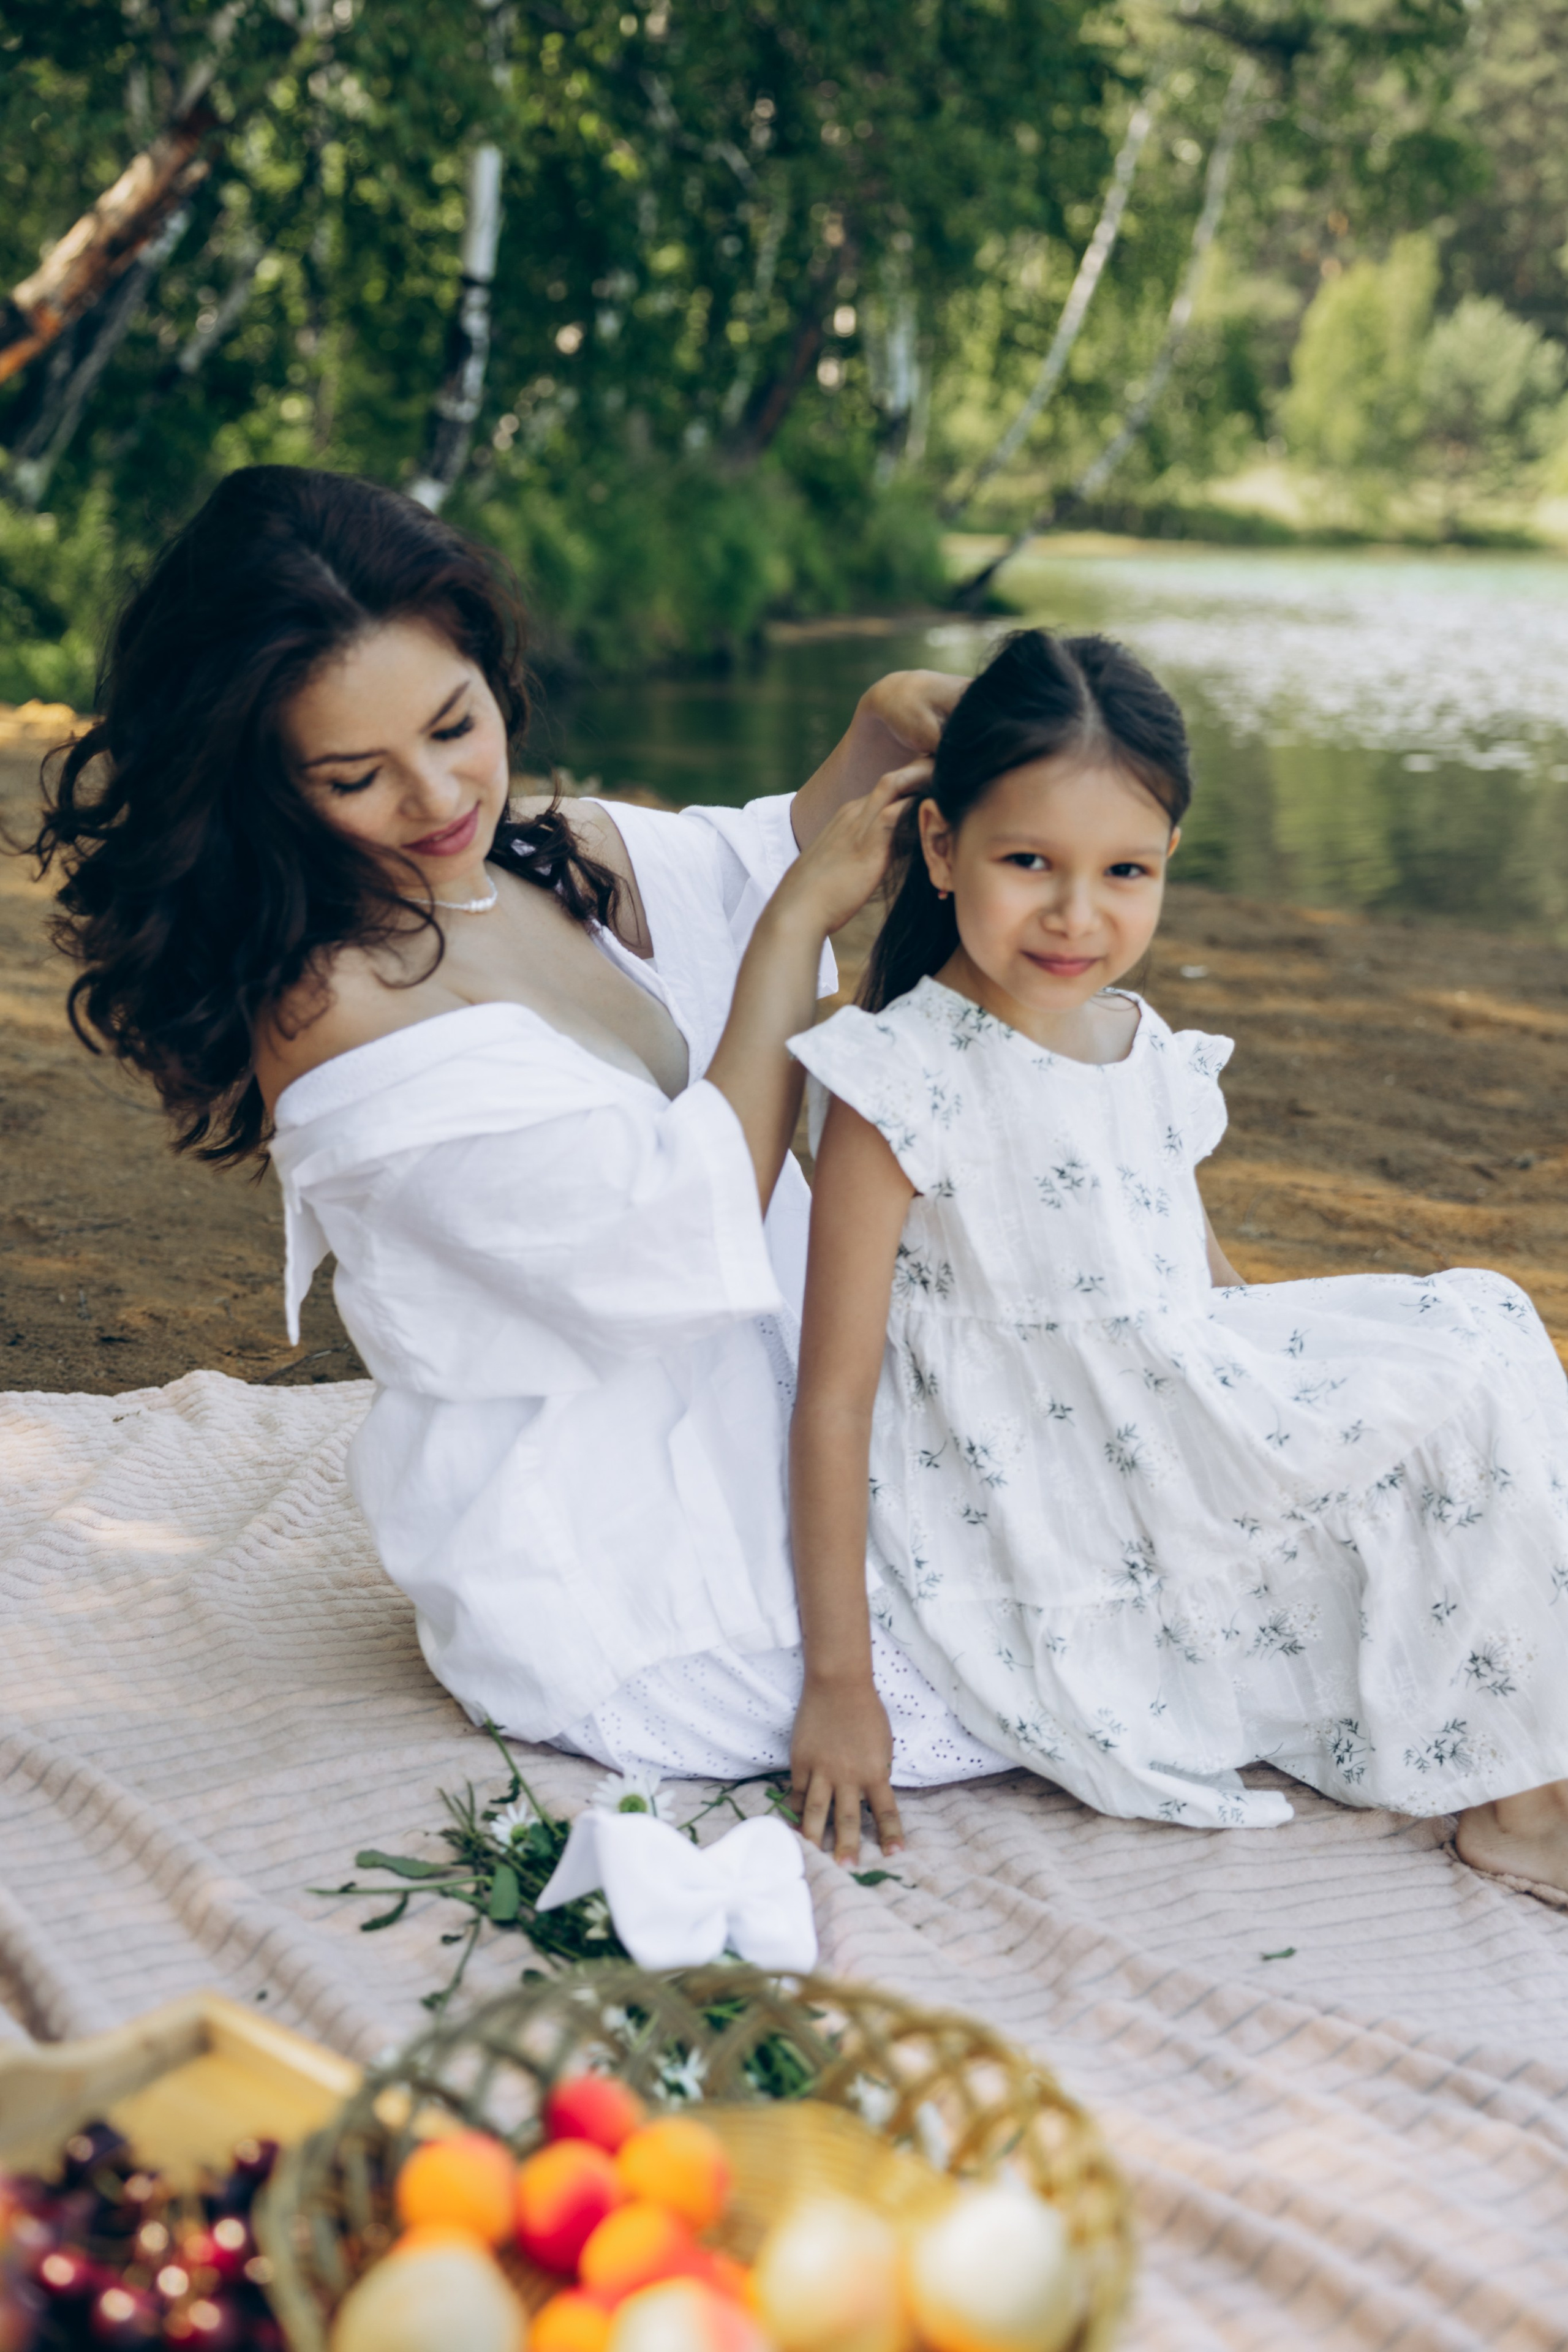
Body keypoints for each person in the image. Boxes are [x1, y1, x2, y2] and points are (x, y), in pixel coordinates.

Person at [31, 463, 1009, 1828]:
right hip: (627, 1570)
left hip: (806, 1423)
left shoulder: (530, 861)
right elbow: (676, 1218)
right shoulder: (335, 1006)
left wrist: (866, 743)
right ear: (260, 789)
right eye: (354, 776)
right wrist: (800, 924)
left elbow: (738, 864)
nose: (436, 797)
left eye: (455, 724)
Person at [786, 625, 1568, 1898]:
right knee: (1466, 1355)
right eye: (1026, 861)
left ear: (1166, 866)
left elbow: (1199, 1283)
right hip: (1052, 1488)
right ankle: (1525, 1810)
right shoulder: (899, 1079)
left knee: (1476, 1338)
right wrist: (837, 1680)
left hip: (1165, 1410)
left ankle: (1530, 1765)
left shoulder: (1139, 1043)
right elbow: (833, 1395)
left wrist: (1295, 1418)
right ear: (940, 849)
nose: (1073, 914)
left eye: (1122, 871)